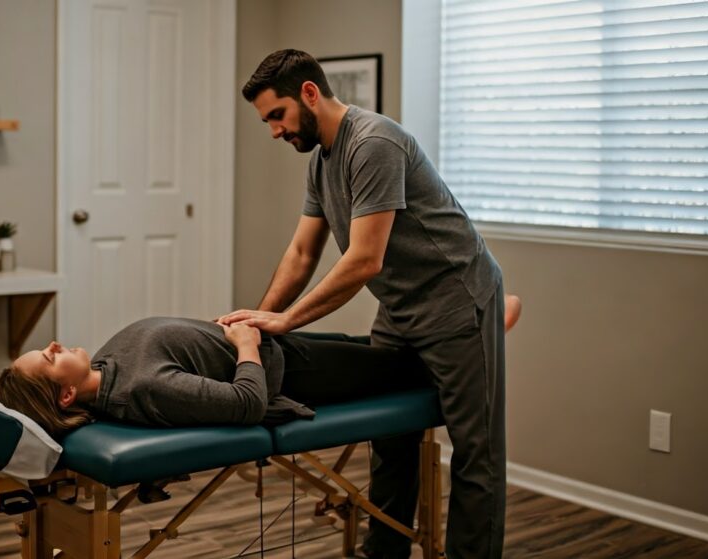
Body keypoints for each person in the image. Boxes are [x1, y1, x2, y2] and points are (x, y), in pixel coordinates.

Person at [219, 49, 512, 559]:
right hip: (400, 310)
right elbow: (302, 251)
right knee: (390, 443)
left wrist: (287, 319)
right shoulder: (322, 161)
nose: (273, 131)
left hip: (457, 304)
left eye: (276, 116)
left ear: (309, 93)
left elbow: (363, 261)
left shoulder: (373, 143)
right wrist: (261, 320)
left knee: (475, 456)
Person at [0, 316, 435, 440]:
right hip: (293, 371)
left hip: (274, 343)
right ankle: (474, 340)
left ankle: (465, 329)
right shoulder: (142, 389)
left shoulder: (105, 367)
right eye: (48, 359)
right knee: (406, 367)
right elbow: (246, 404)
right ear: (68, 395)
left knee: (376, 345)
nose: (53, 344)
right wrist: (244, 345)